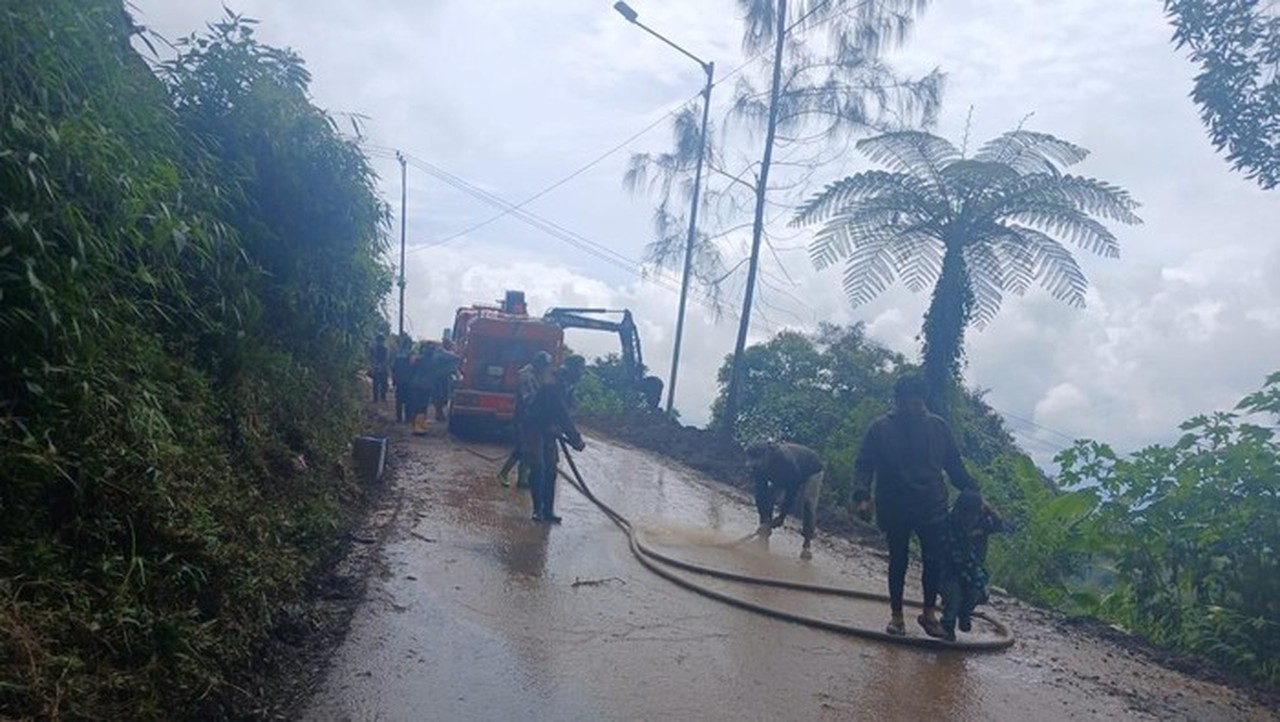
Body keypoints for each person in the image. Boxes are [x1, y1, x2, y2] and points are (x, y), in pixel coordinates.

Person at [852, 375, 981, 638]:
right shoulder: (880, 428)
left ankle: (928, 613)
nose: (912, 409)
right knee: (898, 560)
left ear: (924, 403)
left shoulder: (938, 428)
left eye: (917, 404)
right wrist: (862, 496)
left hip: (931, 505)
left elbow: (955, 467)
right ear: (897, 402)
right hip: (894, 505)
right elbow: (864, 464)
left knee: (933, 562)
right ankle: (897, 617)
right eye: (906, 404)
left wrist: (976, 494)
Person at [521, 356, 586, 524]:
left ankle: (548, 510)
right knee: (539, 468)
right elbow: (562, 413)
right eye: (581, 369)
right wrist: (575, 438)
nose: (582, 373)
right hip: (534, 427)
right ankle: (537, 510)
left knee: (551, 470)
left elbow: (565, 411)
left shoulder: (566, 384)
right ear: (572, 368)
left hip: (549, 430)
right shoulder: (554, 383)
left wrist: (559, 429)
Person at [938, 489, 1006, 640]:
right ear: (958, 510)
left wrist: (989, 509)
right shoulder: (947, 521)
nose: (968, 518)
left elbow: (1000, 525)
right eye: (964, 513)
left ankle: (964, 612)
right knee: (954, 596)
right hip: (948, 571)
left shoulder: (983, 522)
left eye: (972, 514)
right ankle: (947, 626)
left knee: (978, 594)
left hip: (972, 572)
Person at [745, 441, 825, 559]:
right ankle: (764, 541)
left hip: (811, 469)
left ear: (766, 457)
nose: (756, 467)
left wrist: (781, 517)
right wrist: (764, 522)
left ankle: (807, 545)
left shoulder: (786, 461)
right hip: (783, 476)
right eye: (753, 464)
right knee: (769, 498)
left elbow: (792, 490)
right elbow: (761, 495)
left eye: (758, 464)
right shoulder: (757, 467)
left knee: (808, 502)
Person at [391, 335, 412, 423]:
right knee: (408, 400)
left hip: (400, 380)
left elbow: (394, 369)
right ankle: (407, 418)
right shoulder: (411, 355)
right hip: (408, 381)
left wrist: (394, 380)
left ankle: (399, 418)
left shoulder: (398, 355)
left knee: (399, 400)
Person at [369, 334, 390, 403]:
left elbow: (386, 359)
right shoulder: (376, 349)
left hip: (380, 367)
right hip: (380, 367)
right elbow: (372, 358)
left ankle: (380, 397)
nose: (380, 342)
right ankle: (379, 398)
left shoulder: (376, 348)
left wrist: (378, 365)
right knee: (379, 383)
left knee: (380, 383)